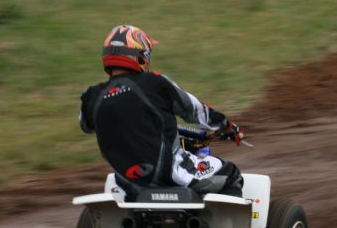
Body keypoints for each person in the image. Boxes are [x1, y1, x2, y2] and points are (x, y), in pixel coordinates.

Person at [79, 24, 244, 199]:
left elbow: (87, 126)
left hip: (129, 184)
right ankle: (224, 217)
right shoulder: (154, 82)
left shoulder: (92, 97)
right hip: (171, 174)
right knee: (230, 174)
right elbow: (195, 110)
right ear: (141, 55)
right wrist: (226, 126)